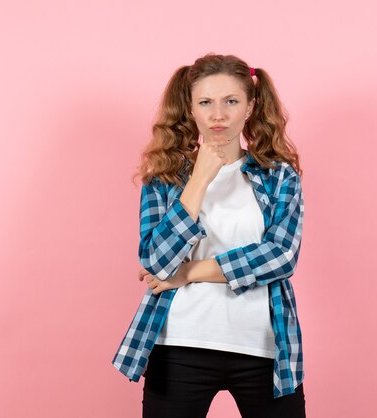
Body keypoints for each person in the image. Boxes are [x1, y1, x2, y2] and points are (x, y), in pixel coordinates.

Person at [112, 53, 306, 418]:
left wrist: (189, 273)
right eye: (206, 102)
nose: (218, 114)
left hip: (264, 349)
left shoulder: (279, 176)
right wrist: (199, 178)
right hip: (180, 345)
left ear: (250, 107)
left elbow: (281, 256)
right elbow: (156, 260)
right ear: (191, 110)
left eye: (231, 101)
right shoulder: (165, 178)